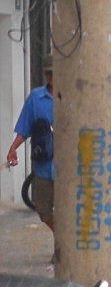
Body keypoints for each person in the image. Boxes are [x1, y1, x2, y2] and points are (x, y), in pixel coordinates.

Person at [6, 54, 55, 235]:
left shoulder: (69, 95)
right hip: (43, 165)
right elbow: (25, 127)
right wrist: (13, 148)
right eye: (48, 73)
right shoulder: (36, 98)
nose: (51, 77)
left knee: (69, 211)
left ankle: (63, 249)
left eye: (54, 73)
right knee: (43, 210)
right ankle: (63, 239)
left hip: (67, 167)